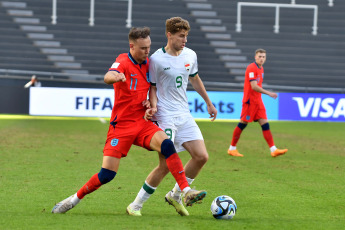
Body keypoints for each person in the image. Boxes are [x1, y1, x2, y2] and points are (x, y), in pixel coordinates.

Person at [51, 27, 207, 214]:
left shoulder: (150, 63)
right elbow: (108, 76)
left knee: (167, 145)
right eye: (142, 48)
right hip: (121, 126)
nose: (147, 51)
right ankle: (73, 200)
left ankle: (185, 190)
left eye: (148, 47)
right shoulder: (123, 61)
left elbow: (153, 87)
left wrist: (151, 103)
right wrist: (115, 77)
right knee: (107, 174)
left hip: (142, 123)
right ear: (131, 46)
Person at [127, 17, 217, 217]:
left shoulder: (191, 55)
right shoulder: (157, 59)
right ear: (169, 35)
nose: (185, 40)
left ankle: (175, 194)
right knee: (166, 164)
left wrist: (208, 102)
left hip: (184, 114)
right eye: (181, 36)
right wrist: (152, 105)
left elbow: (194, 78)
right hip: (165, 116)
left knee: (201, 156)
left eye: (186, 36)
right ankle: (136, 205)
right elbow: (151, 86)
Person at [227, 48, 288, 157]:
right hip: (249, 101)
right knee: (242, 123)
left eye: (263, 57)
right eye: (259, 56)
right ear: (255, 57)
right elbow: (254, 86)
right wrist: (269, 93)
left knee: (265, 124)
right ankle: (232, 148)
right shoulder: (251, 68)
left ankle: (273, 149)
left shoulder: (261, 68)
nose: (261, 58)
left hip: (258, 101)